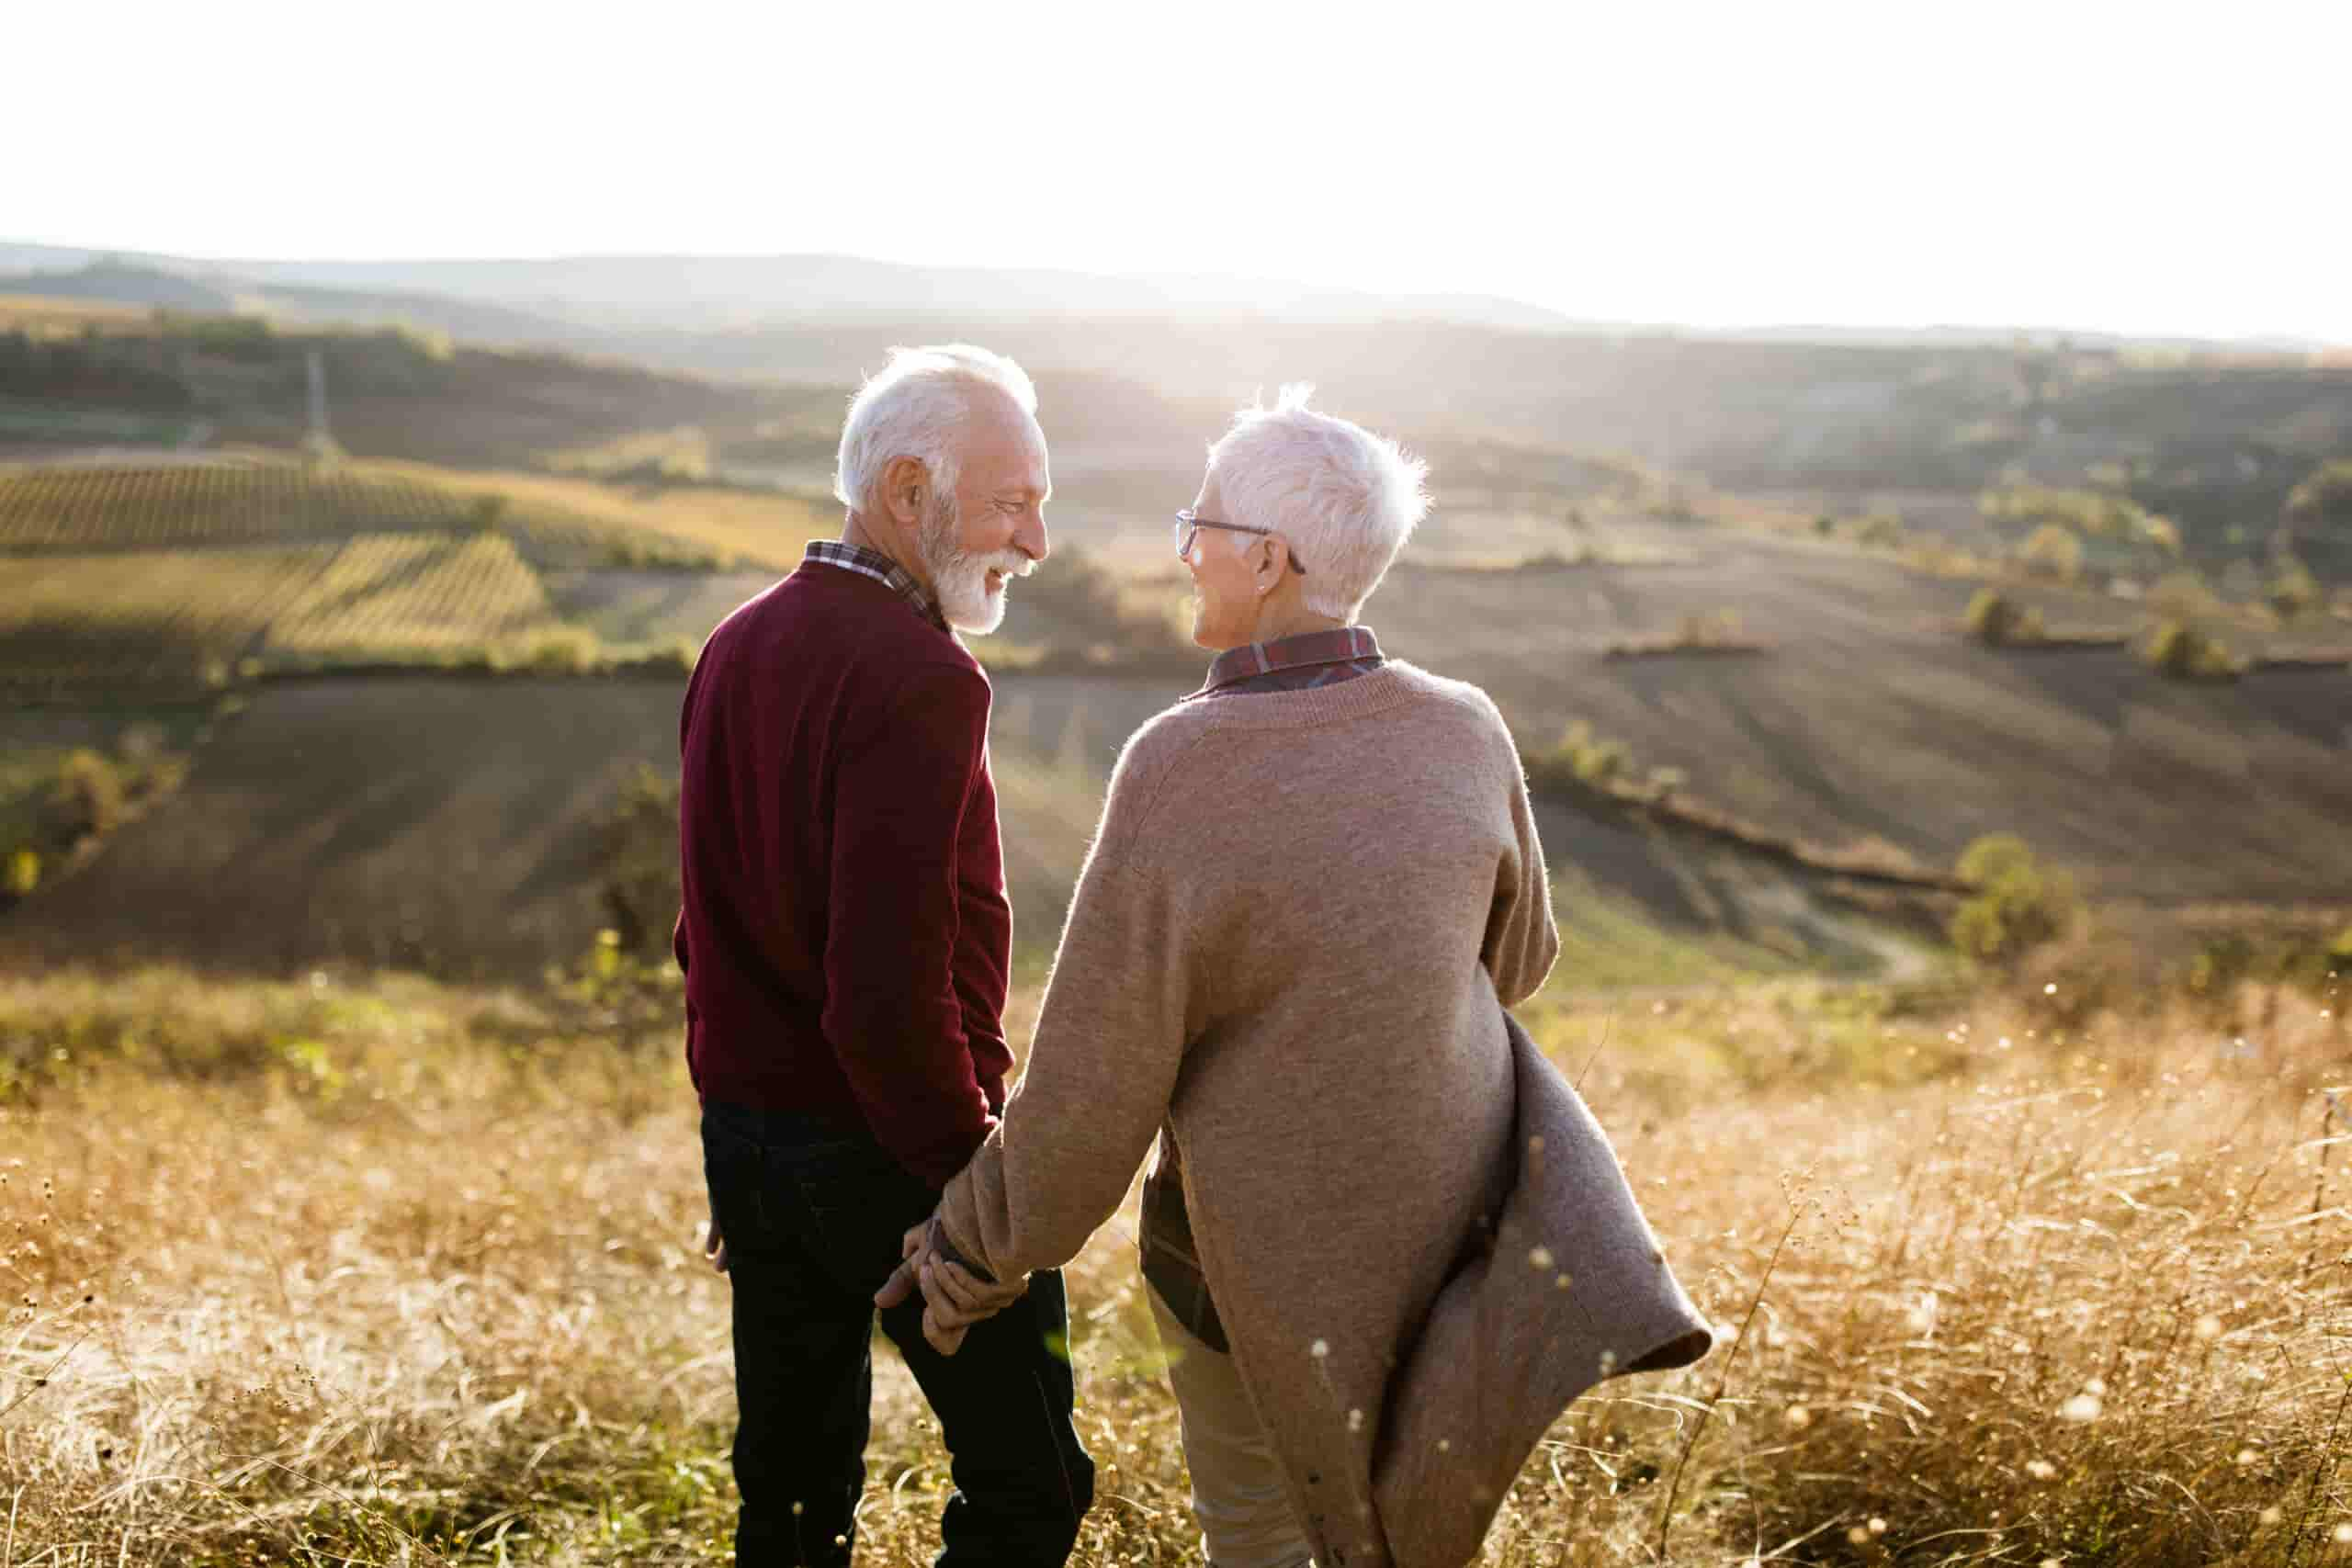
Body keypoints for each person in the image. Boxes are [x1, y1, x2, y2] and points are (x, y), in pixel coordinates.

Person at [884, 386, 1711, 1568]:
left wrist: (967, 1258)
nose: (1185, 556)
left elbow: (1097, 1089)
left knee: (1263, 1536)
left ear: (1266, 559)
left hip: (1242, 1274)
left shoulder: (1178, 766)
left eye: (1200, 528)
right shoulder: (1466, 728)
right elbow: (1518, 963)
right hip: (1445, 1240)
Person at [676, 344, 1093, 1566]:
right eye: (1016, 498)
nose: (1038, 539)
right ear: (911, 490)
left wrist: (740, 1149)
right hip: (888, 1147)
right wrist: (975, 1190)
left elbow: (700, 928)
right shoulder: (919, 676)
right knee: (1033, 1485)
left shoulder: (737, 639)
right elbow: (886, 997)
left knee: (795, 1496)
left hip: (752, 1141)